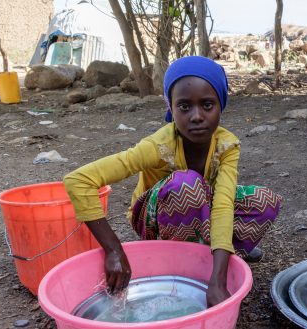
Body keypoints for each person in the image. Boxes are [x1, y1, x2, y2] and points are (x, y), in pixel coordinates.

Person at [64, 56, 282, 307]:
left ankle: (214, 263)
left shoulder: (227, 145)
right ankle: (177, 267)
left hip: (203, 210)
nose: (197, 116)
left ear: (221, 105)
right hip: (155, 219)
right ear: (171, 108)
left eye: (207, 105)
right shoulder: (158, 146)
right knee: (186, 185)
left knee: (263, 201)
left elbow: (222, 205)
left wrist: (218, 282)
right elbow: (79, 180)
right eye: (184, 106)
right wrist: (113, 250)